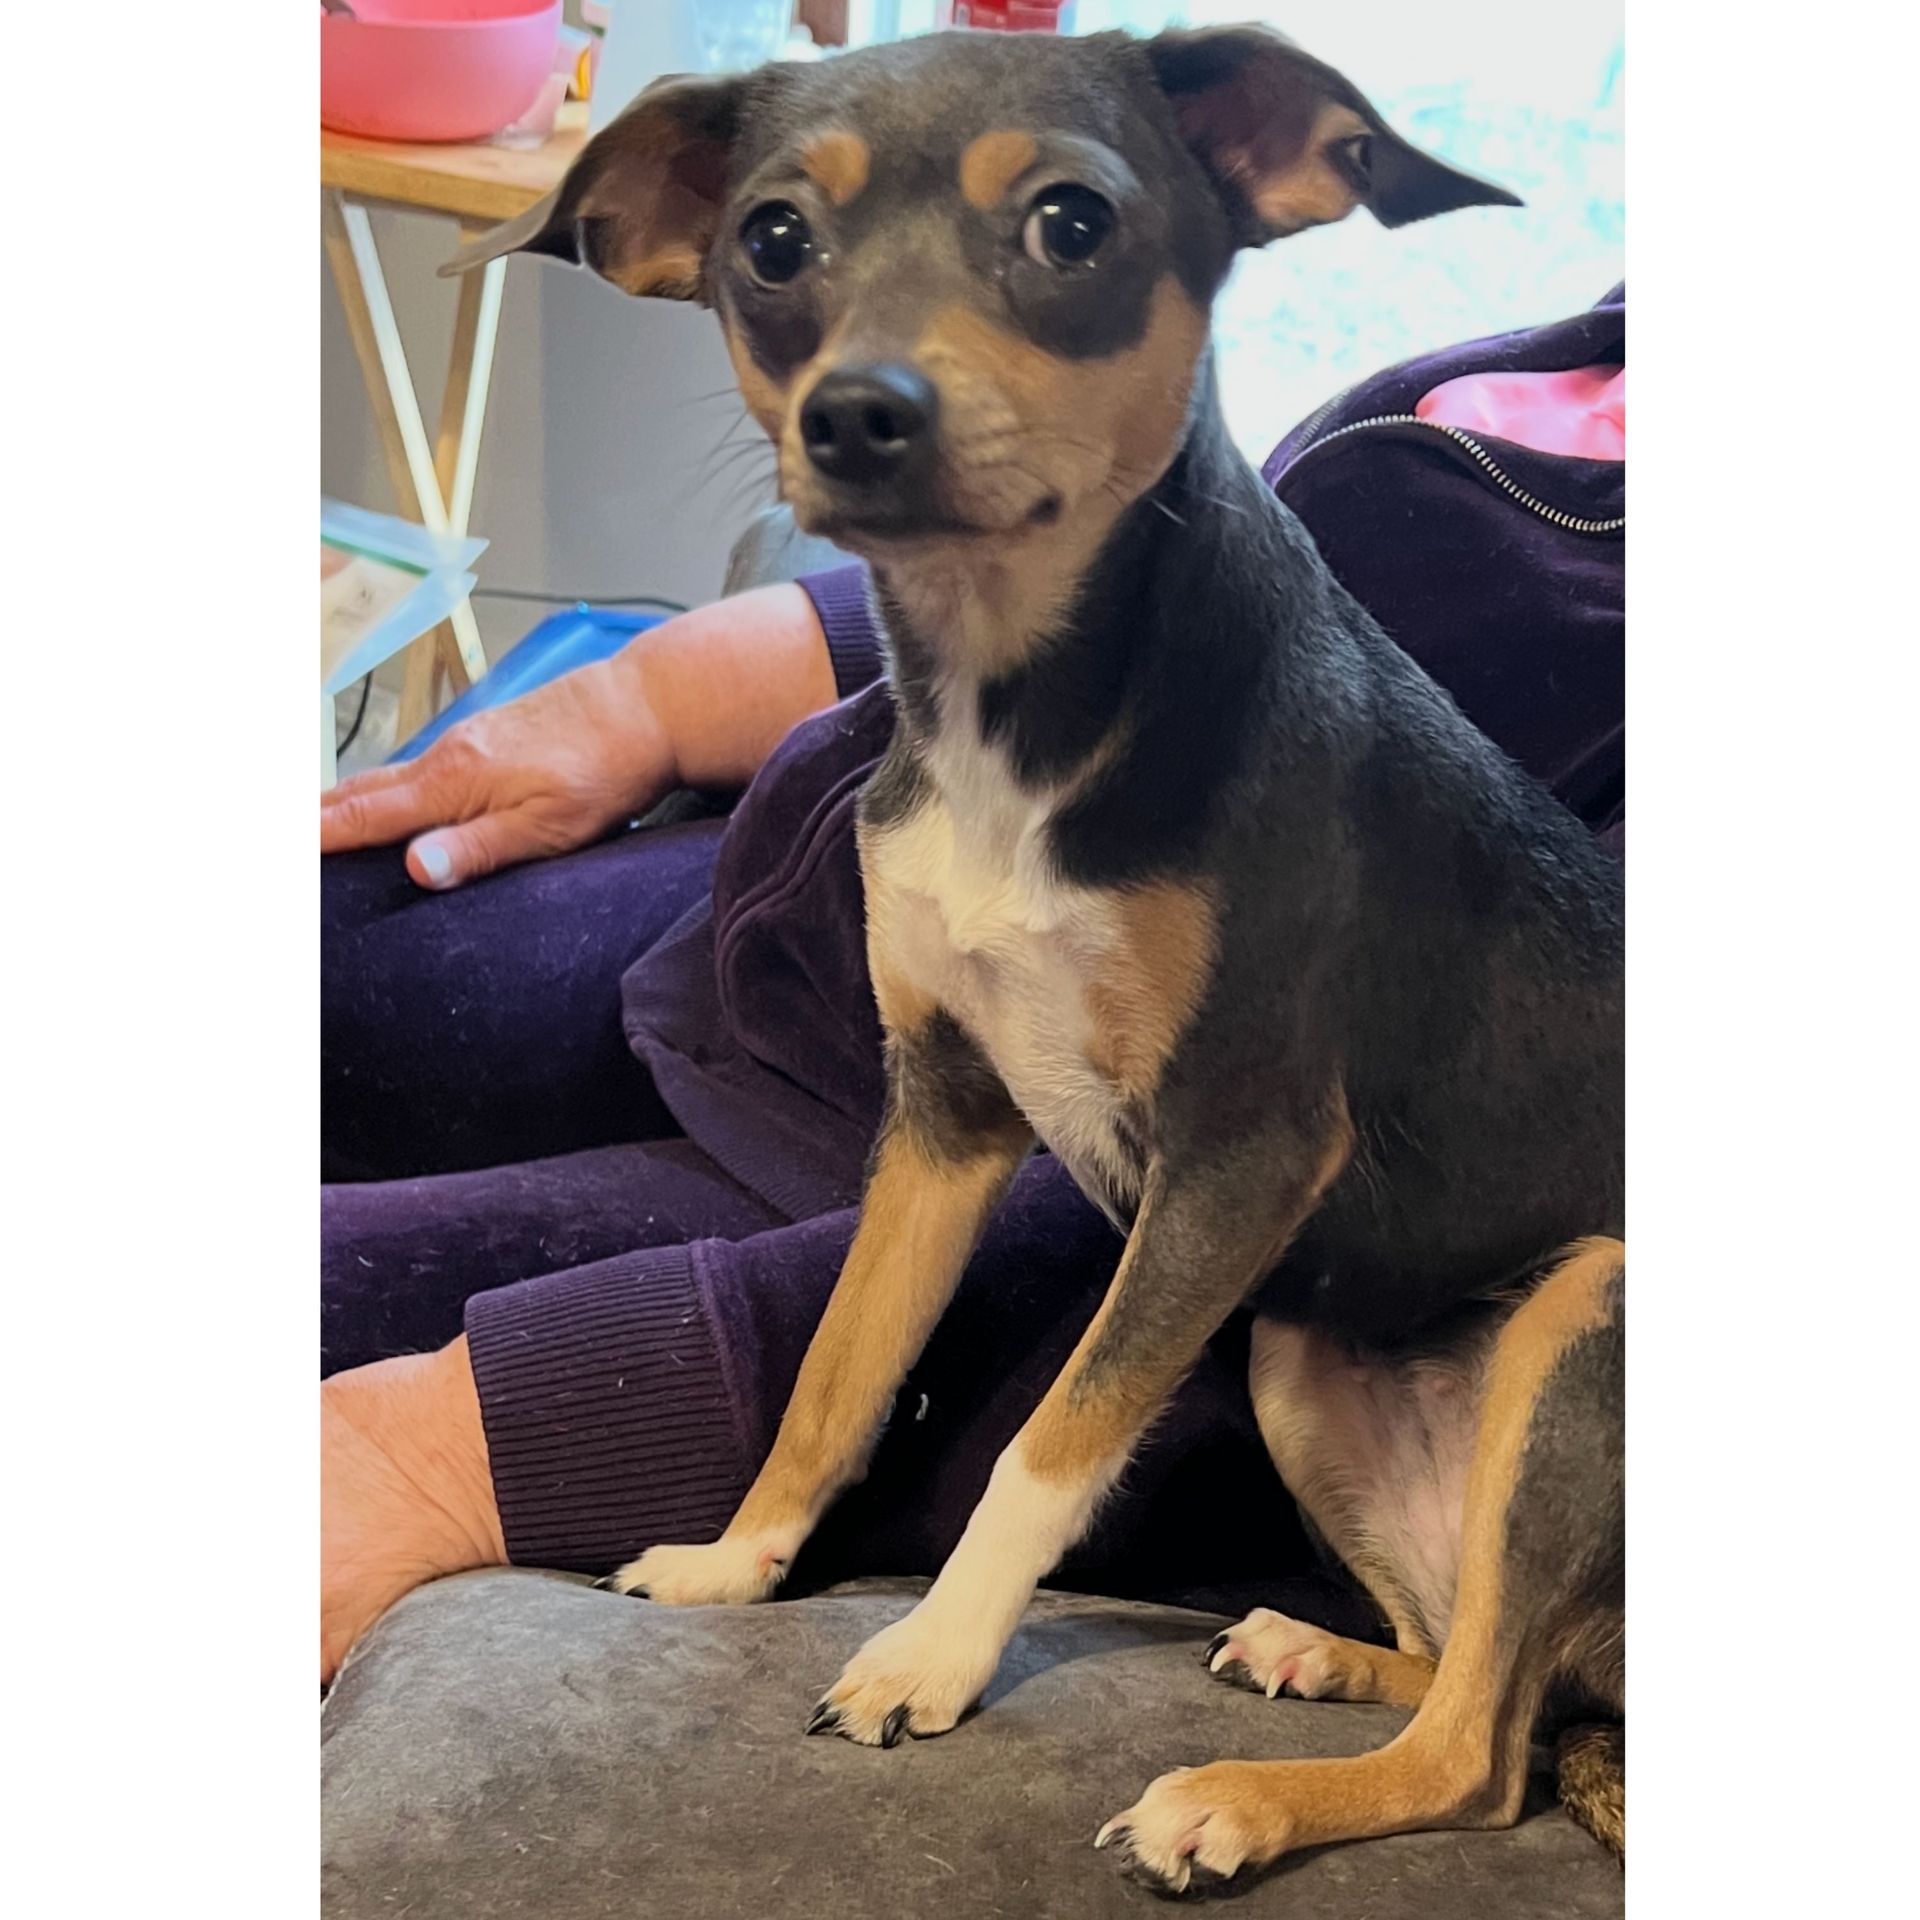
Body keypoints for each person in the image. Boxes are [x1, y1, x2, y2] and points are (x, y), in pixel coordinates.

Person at [321, 291, 1625, 1684]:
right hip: (810, 910)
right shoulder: (1589, 344)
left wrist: (493, 1437)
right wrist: (642, 698)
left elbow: (1238, 1167)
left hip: (905, 1182)